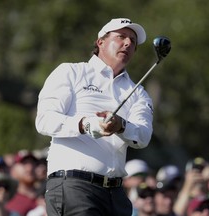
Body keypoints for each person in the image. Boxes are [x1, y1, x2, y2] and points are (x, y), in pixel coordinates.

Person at [35, 18, 153, 216]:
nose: (128, 43)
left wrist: (121, 126)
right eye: (121, 37)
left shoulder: (138, 91)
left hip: (116, 194)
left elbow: (142, 136)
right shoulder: (71, 72)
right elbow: (45, 119)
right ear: (100, 42)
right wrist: (86, 124)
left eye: (133, 41)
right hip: (74, 186)